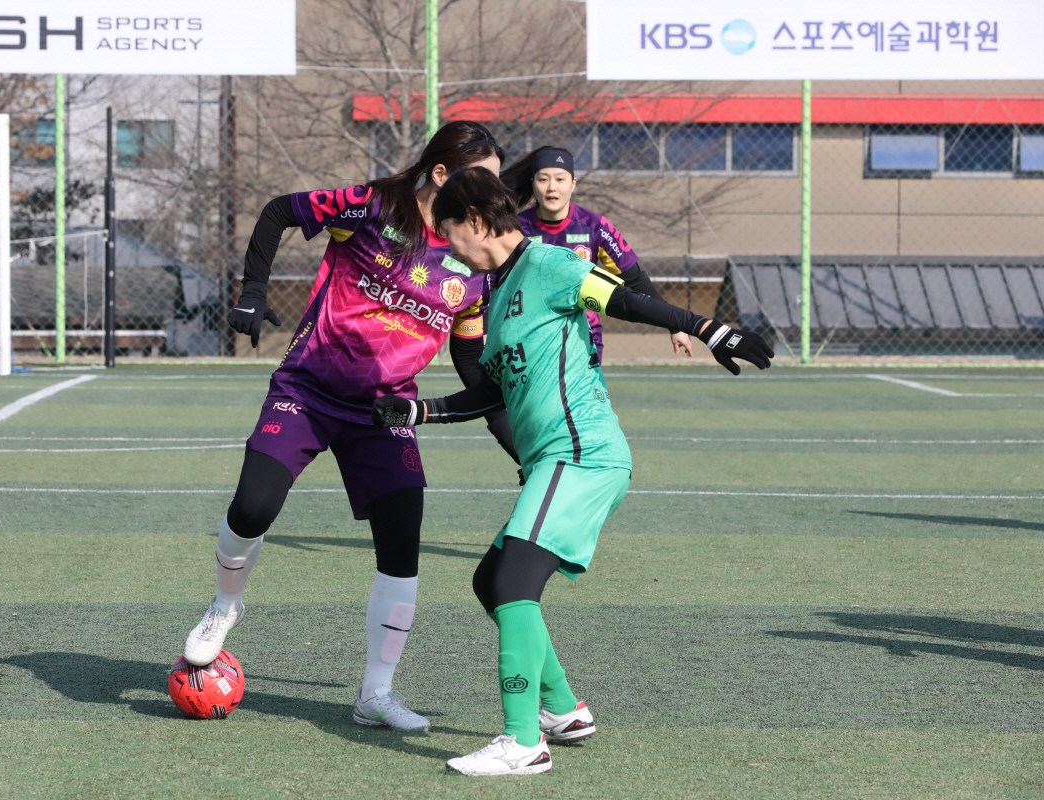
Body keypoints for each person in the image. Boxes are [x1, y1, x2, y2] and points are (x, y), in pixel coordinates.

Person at [372, 167, 772, 775]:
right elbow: (496, 393)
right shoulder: (499, 293)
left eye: (449, 230)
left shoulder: (548, 265)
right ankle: (561, 711)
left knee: (512, 587)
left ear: (476, 220)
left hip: (581, 455)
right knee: (491, 583)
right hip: (556, 461)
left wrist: (709, 328)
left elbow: (626, 300)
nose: (446, 244)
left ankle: (522, 742)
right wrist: (419, 410)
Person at [181, 121, 511, 732]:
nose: (493, 195)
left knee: (402, 544)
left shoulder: (474, 261)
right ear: (442, 175)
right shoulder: (373, 206)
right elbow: (281, 210)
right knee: (253, 506)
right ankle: (224, 607)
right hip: (307, 389)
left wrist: (510, 435)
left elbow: (471, 358)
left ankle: (375, 695)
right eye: (481, 180)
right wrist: (253, 292)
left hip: (385, 411)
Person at [501, 146, 692, 363]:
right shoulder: (515, 229)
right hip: (529, 337)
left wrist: (673, 324)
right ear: (533, 183)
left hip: (583, 338)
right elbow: (496, 283)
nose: (552, 187)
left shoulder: (595, 226)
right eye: (543, 179)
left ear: (573, 183)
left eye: (560, 179)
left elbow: (634, 279)